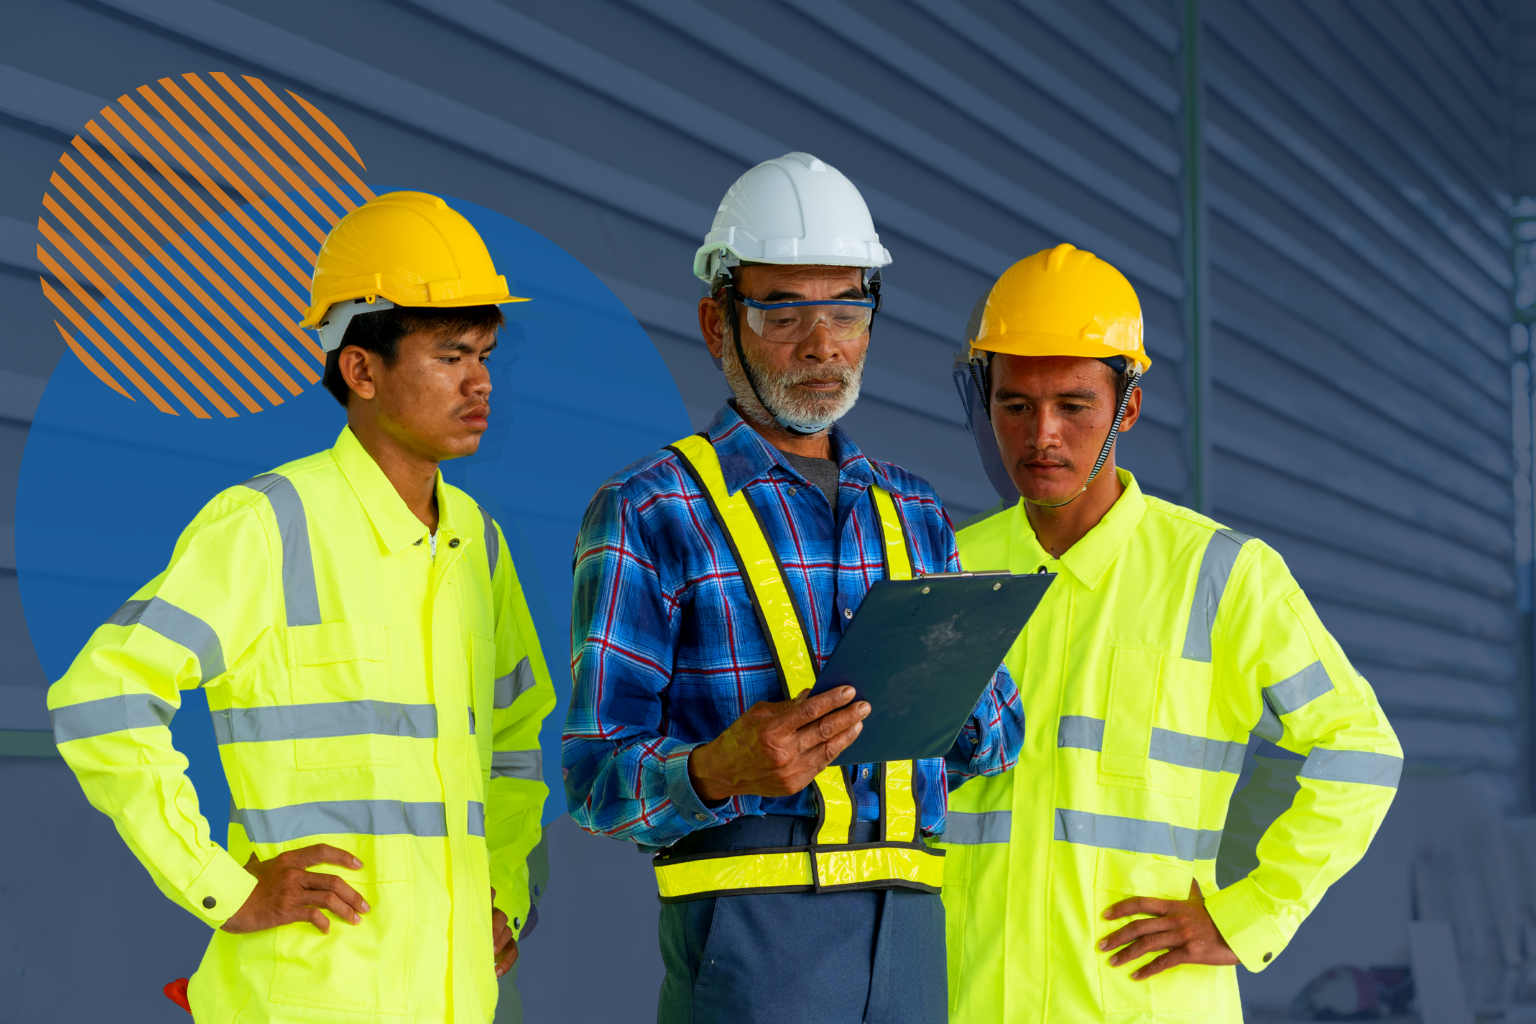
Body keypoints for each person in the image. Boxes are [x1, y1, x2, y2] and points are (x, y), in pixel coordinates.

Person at [47, 191, 556, 1023]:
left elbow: (514, 741)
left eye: (485, 355)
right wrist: (219, 886)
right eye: (450, 355)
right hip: (307, 998)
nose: (480, 382)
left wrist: (499, 888)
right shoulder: (268, 526)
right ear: (361, 370)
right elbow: (102, 698)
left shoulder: (477, 542)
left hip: (455, 999)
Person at [563, 152, 1025, 1024]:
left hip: (911, 932)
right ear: (717, 324)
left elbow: (998, 742)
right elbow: (593, 782)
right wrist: (717, 770)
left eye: (846, 309)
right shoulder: (649, 510)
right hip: (749, 941)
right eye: (783, 312)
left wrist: (952, 691)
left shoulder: (914, 510)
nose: (822, 344)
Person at [936, 243, 1402, 1022]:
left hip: (1146, 1005)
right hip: (971, 1002)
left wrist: (1246, 914)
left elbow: (1361, 750)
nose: (1041, 434)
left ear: (1128, 409)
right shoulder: (948, 569)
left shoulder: (1225, 577)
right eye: (1015, 405)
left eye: (1074, 406)